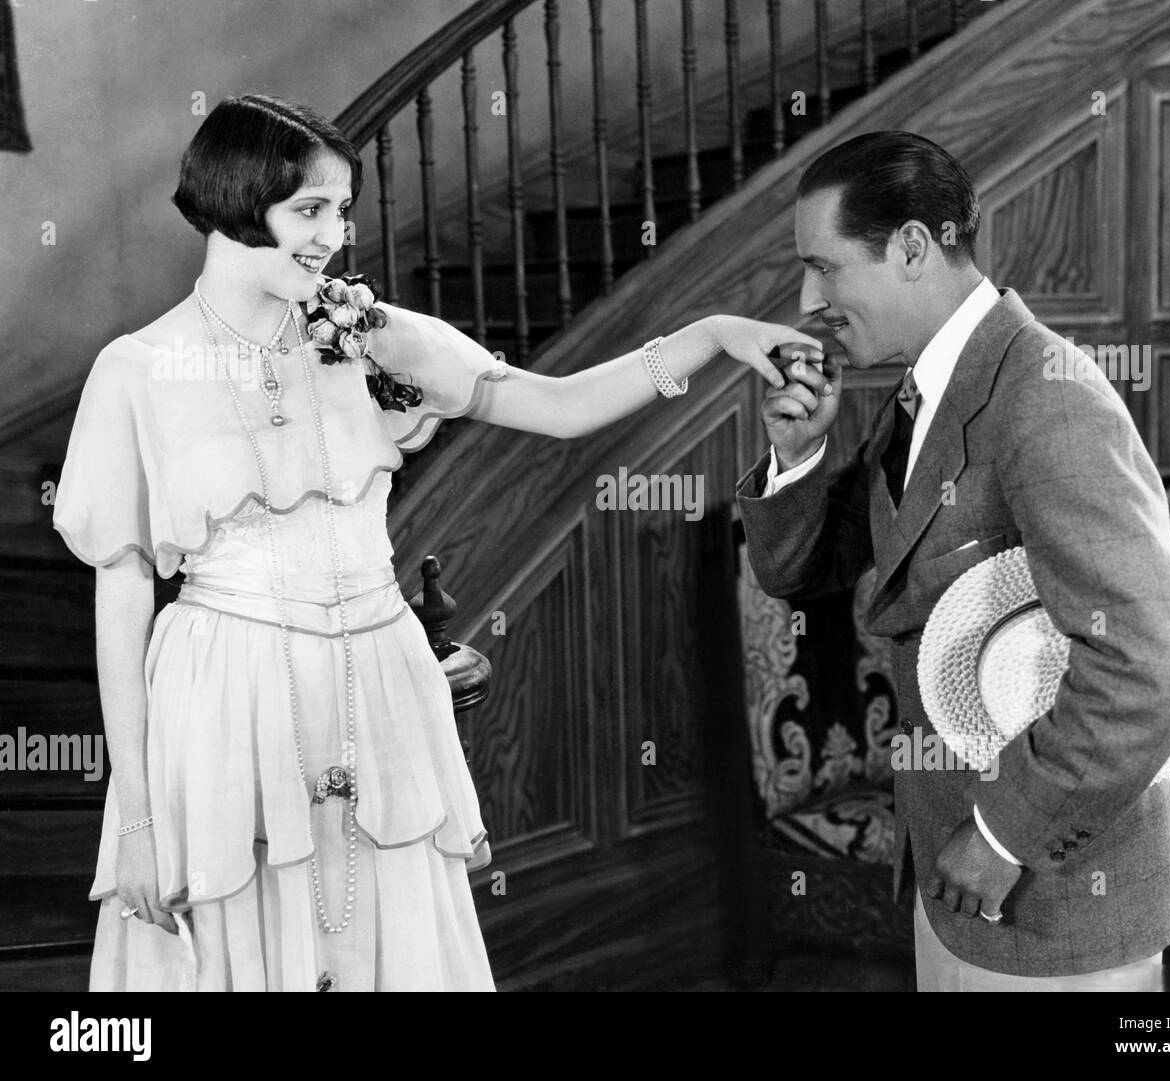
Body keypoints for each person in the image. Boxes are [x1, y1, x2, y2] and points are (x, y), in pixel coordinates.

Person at [52, 93, 822, 992]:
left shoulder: (368, 333)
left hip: (378, 682)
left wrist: (713, 336)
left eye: (341, 210)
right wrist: (139, 822)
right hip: (228, 696)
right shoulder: (138, 371)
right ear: (231, 199)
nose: (333, 235)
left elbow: (557, 404)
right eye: (309, 210)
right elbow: (123, 597)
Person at [736, 130, 1170, 991]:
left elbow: (1153, 665)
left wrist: (999, 839)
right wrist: (799, 455)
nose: (810, 299)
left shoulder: (1045, 398)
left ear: (914, 246)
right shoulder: (932, 387)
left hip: (1057, 903)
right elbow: (807, 569)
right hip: (957, 880)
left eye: (826, 266)